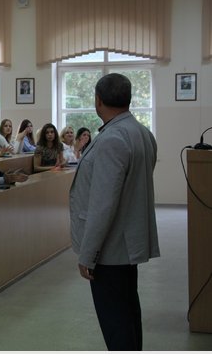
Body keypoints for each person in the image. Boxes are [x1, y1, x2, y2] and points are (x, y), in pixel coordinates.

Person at [70, 73, 159, 351]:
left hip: (110, 248)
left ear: (98, 100)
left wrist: (88, 253)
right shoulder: (142, 132)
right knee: (128, 312)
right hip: (126, 241)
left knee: (116, 321)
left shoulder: (112, 138)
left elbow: (103, 204)